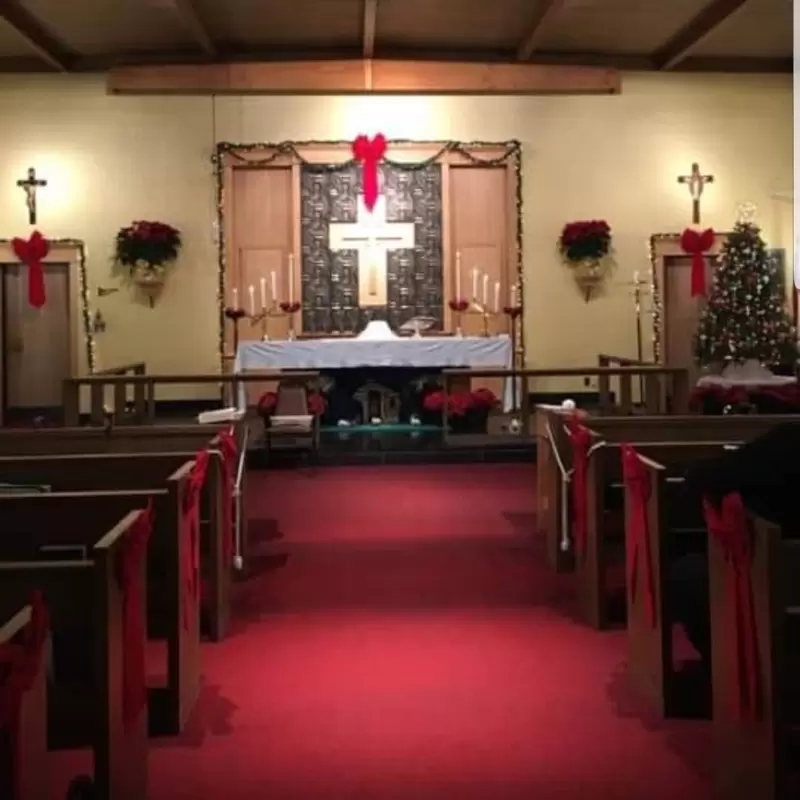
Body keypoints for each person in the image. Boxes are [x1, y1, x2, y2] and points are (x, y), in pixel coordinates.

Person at [669, 422, 800, 663]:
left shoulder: (791, 440)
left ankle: (727, 666)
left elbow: (711, 477)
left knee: (683, 575)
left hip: (780, 585)